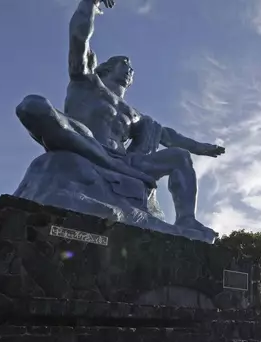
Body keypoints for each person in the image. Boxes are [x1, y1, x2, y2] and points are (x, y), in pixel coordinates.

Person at [15, 0, 225, 240]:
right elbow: (78, 38)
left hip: (125, 162)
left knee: (180, 156)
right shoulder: (85, 81)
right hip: (84, 140)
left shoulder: (134, 115)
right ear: (106, 68)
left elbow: (169, 136)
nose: (129, 70)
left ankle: (187, 219)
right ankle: (101, 159)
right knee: (33, 106)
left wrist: (201, 148)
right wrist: (89, 3)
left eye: (132, 69)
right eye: (124, 64)